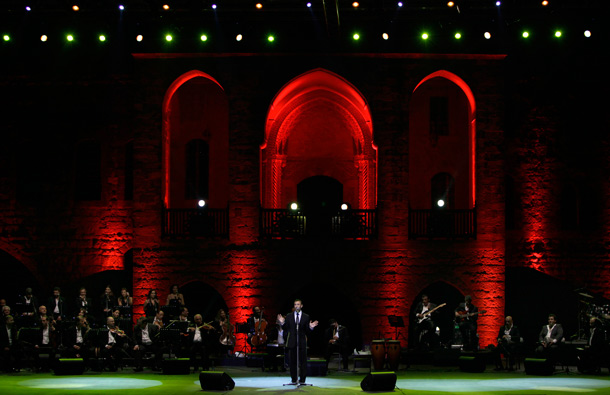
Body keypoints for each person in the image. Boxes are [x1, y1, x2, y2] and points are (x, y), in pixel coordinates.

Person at [277, 299, 319, 385]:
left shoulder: (306, 316)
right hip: (292, 341)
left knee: (303, 362)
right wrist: (282, 323)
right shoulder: (289, 316)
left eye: (298, 304)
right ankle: (293, 380)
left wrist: (311, 327)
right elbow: (286, 328)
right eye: (295, 304)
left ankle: (302, 380)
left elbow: (307, 330)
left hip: (302, 342)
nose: (296, 306)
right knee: (292, 362)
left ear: (301, 306)